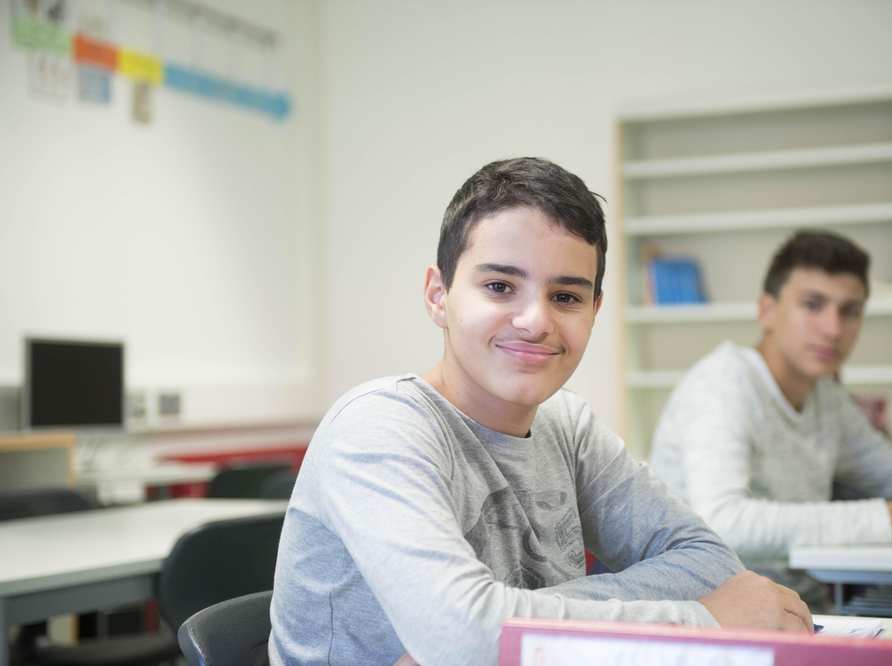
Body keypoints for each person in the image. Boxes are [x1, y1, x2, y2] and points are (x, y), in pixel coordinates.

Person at [269, 158, 813, 665]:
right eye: (500, 286)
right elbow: (465, 636)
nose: (535, 320)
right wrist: (697, 620)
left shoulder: (567, 425)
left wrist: (499, 616)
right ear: (439, 295)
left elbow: (708, 560)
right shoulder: (379, 425)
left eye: (566, 297)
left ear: (594, 311)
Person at [649, 230, 892, 605]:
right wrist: (890, 521)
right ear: (766, 310)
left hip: (797, 604)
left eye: (850, 311)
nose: (833, 329)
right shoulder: (722, 383)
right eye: (813, 304)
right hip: (710, 614)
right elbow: (721, 521)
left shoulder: (826, 397)